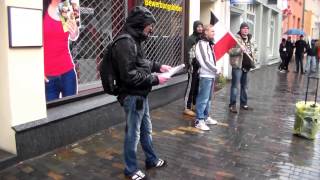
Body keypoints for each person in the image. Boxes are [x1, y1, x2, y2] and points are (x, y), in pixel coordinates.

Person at [113, 6, 171, 180]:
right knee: (133, 133)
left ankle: (151, 160)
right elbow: (129, 75)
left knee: (146, 130)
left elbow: (140, 62)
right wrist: (155, 79)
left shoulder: (134, 40)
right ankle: (130, 170)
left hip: (141, 94)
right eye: (149, 26)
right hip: (132, 95)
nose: (151, 29)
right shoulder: (126, 42)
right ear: (140, 24)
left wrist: (158, 66)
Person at [43, 0, 80, 101]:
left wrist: (74, 31)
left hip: (67, 72)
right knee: (52, 114)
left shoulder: (65, 7)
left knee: (71, 111)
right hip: (48, 75)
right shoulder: (41, 8)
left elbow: (74, 36)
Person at [194, 24, 219, 131]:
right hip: (205, 75)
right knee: (203, 98)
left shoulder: (208, 44)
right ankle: (199, 120)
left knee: (208, 99)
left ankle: (205, 116)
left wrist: (214, 70)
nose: (214, 33)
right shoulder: (201, 44)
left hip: (211, 75)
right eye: (212, 31)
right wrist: (215, 69)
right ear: (205, 32)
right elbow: (204, 60)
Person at [228, 22, 257, 113]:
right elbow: (229, 51)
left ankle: (243, 104)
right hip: (238, 66)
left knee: (245, 87)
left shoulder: (251, 39)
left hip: (247, 66)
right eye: (243, 28)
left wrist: (254, 58)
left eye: (247, 28)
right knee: (235, 86)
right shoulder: (235, 39)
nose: (245, 30)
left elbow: (255, 50)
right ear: (240, 29)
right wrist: (240, 49)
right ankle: (232, 105)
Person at [183, 21, 203, 117]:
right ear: (195, 27)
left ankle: (194, 104)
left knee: (196, 86)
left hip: (200, 67)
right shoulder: (191, 39)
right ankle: (187, 107)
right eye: (198, 27)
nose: (200, 28)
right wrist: (192, 63)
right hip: (193, 66)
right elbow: (188, 53)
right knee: (191, 87)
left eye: (201, 27)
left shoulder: (201, 38)